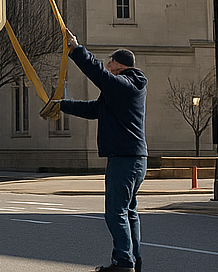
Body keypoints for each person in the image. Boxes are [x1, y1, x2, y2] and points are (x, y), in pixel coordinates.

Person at [42, 30, 147, 272]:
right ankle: (133, 261)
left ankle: (123, 262)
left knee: (115, 212)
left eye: (109, 62)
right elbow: (94, 109)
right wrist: (62, 105)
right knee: (129, 212)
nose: (107, 66)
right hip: (133, 158)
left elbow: (98, 74)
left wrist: (77, 49)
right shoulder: (124, 90)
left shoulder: (125, 85)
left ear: (118, 65)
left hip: (124, 159)